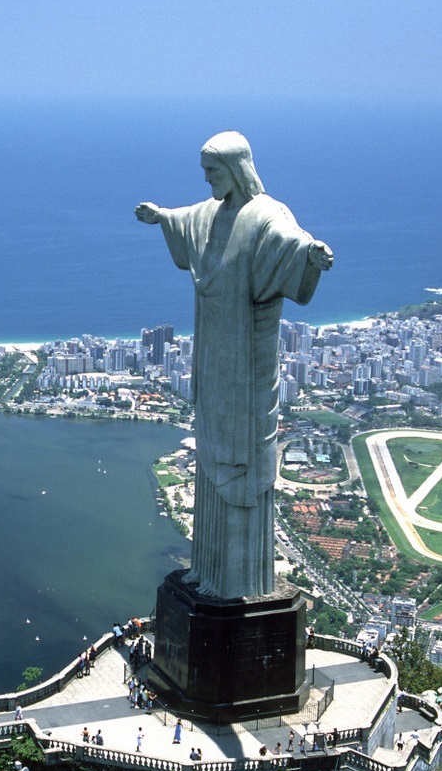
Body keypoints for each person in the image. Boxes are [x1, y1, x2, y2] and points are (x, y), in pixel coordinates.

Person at [136, 132, 332, 599]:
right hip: (213, 361)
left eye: (214, 172)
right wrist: (161, 216)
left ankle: (242, 581)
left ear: (238, 168)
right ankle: (208, 571)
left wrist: (312, 255)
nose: (207, 181)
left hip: (247, 363)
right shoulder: (210, 212)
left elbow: (292, 243)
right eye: (205, 173)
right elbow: (186, 223)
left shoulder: (266, 214)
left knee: (244, 460)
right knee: (209, 456)